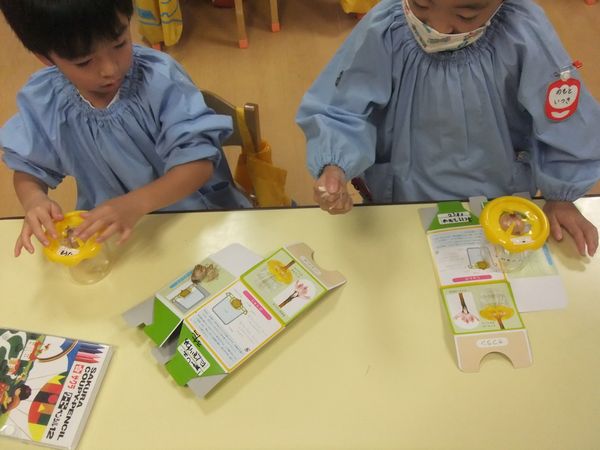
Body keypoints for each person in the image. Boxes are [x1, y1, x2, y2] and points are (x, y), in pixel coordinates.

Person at [296, 0, 600, 257]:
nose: (438, 27)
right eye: (421, 5)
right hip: (400, 200)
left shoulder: (523, 31)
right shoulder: (384, 27)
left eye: (466, 15)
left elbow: (564, 117)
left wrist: (561, 196)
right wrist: (334, 165)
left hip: (500, 200)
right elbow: (342, 107)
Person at [0, 0, 250, 258]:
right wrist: (34, 201)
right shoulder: (45, 99)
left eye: (120, 43)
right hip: (111, 232)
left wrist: (135, 204)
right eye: (85, 62)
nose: (110, 69)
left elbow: (199, 164)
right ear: (45, 57)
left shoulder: (159, 78)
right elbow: (28, 169)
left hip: (193, 214)